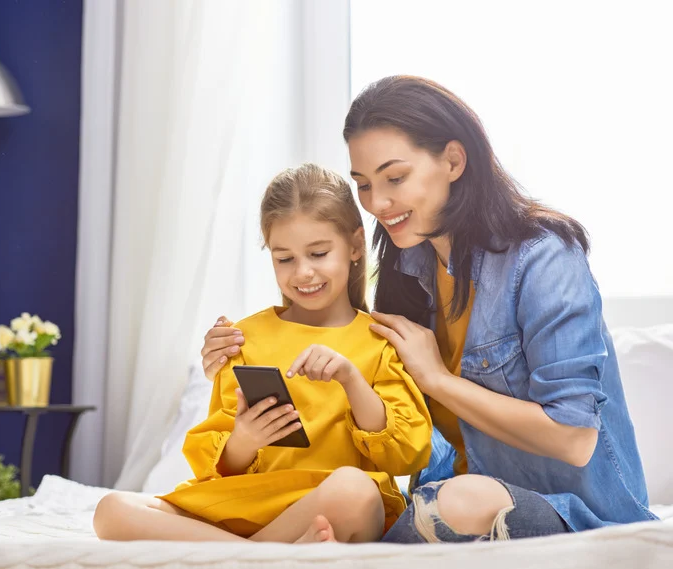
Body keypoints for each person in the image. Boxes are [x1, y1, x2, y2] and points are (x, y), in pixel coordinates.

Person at [201, 76, 656, 544]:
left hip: (572, 514)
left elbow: (574, 438)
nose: (378, 203)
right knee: (382, 508)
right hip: (439, 505)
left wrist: (438, 380)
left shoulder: (544, 258)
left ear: (454, 161)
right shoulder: (407, 261)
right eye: (363, 185)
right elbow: (373, 385)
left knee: (456, 502)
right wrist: (237, 351)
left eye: (395, 178)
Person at [93, 163, 433, 544]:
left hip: (324, 505)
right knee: (112, 510)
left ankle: (244, 555)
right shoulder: (243, 338)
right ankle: (261, 554)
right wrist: (244, 439)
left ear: (355, 246)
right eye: (284, 258)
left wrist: (350, 379)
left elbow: (405, 455)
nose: (302, 272)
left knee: (355, 490)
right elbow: (219, 467)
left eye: (318, 253)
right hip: (248, 503)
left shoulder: (379, 340)